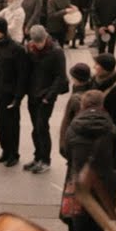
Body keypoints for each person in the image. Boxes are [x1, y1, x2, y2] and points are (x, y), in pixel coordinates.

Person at [59, 89, 116, 231]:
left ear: (83, 105)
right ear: (102, 105)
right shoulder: (111, 128)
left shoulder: (73, 127)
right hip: (103, 188)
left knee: (77, 229)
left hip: (78, 186)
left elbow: (66, 152)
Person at [22, 25, 67, 174]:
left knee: (42, 127)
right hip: (33, 93)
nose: (38, 45)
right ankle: (38, 157)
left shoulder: (56, 52)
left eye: (40, 42)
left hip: (46, 96)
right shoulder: (30, 48)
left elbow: (60, 77)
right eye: (35, 42)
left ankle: (45, 160)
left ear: (46, 37)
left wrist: (49, 96)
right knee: (36, 128)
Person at [0, 15, 30, 167]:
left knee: (12, 125)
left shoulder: (17, 49)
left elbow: (22, 75)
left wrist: (18, 97)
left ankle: (14, 154)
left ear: (1, 30)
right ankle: (5, 150)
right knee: (1, 124)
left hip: (11, 94)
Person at [90, 53, 116, 133]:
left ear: (105, 69)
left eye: (97, 65)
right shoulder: (94, 79)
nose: (94, 67)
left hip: (104, 132)